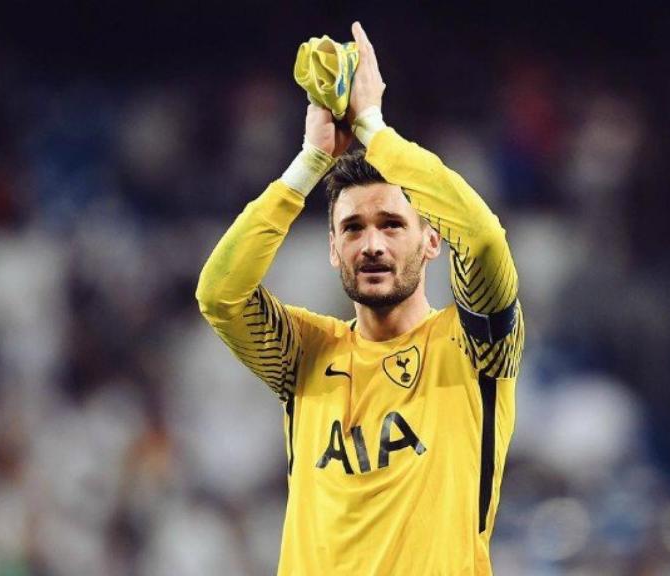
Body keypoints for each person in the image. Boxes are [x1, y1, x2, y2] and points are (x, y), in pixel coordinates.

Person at [196, 21, 524, 575]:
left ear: (431, 240)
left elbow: (486, 238)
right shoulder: (305, 355)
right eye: (352, 228)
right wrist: (308, 164)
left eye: (393, 224)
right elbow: (219, 295)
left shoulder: (474, 348)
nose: (371, 244)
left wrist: (375, 130)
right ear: (332, 247)